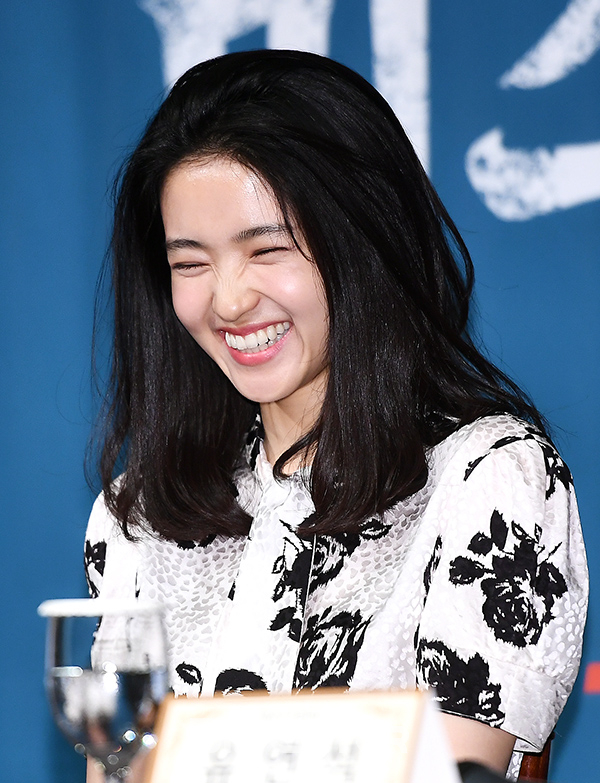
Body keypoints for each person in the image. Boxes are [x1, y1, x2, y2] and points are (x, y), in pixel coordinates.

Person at [84, 49, 588, 779]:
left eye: (268, 250)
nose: (228, 300)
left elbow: (460, 769)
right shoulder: (138, 514)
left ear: (363, 245)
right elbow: (116, 769)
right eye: (190, 263)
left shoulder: (489, 478)